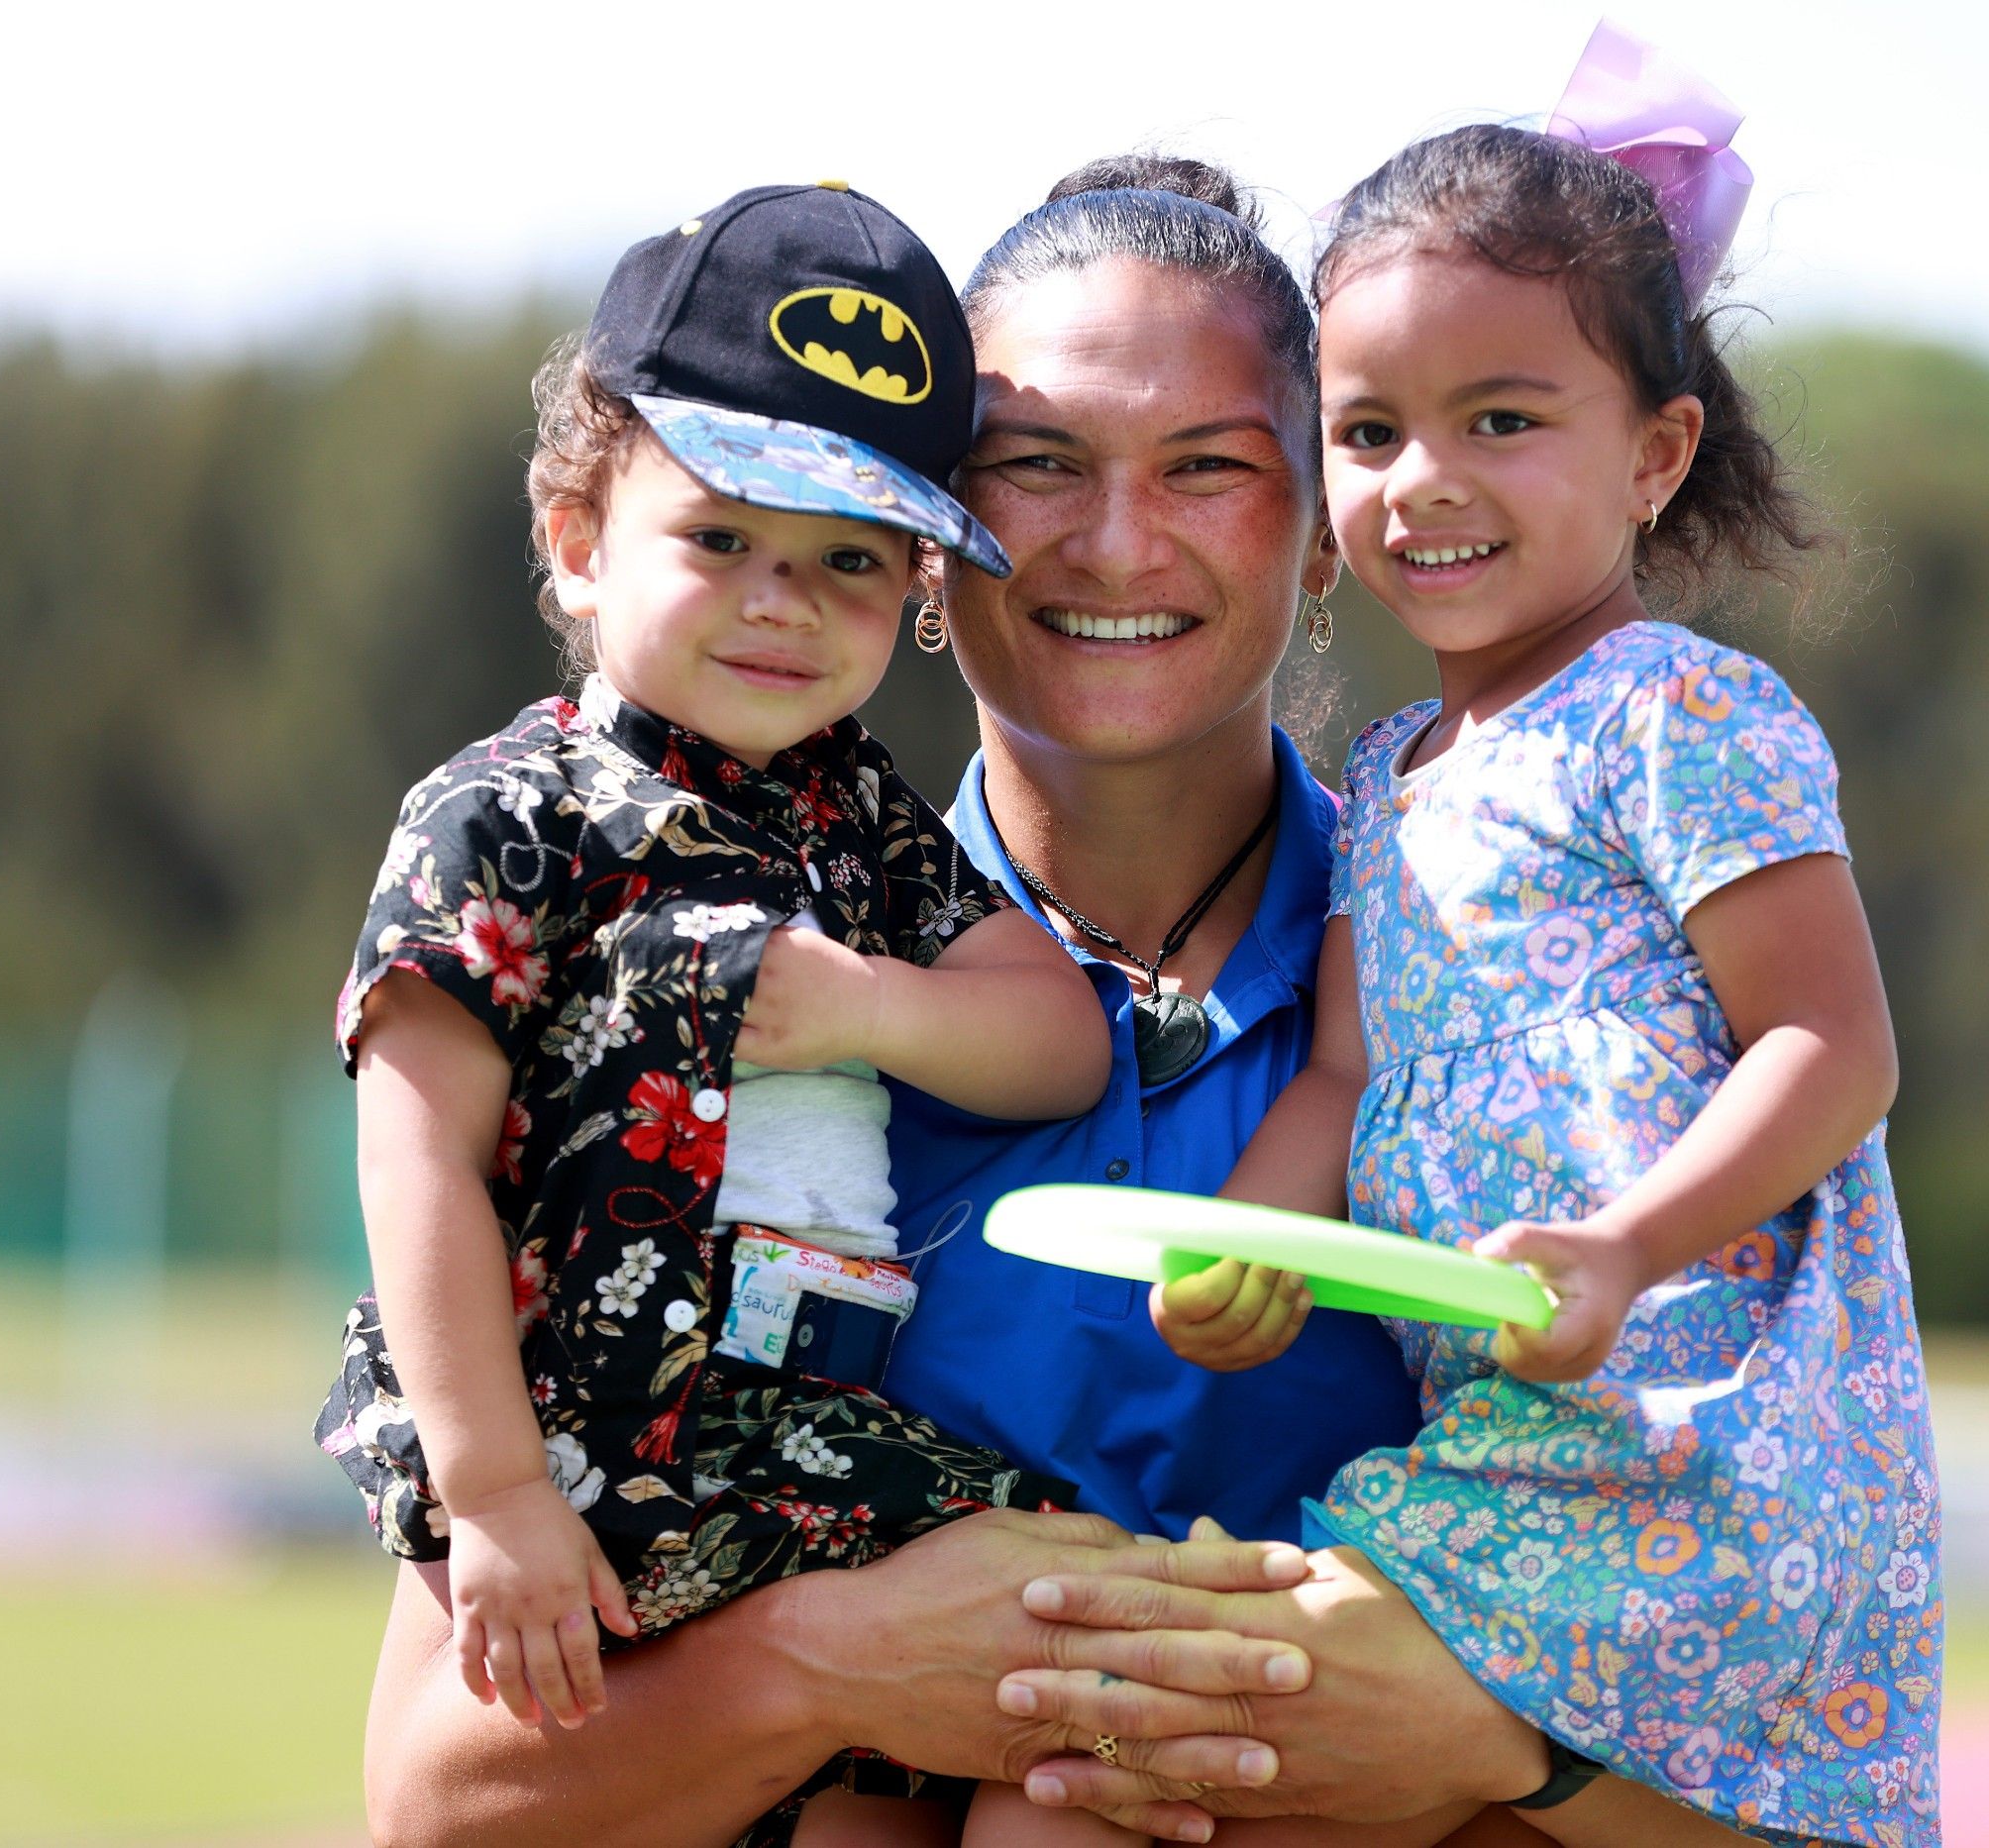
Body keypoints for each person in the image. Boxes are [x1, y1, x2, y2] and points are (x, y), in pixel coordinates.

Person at [357, 157, 1724, 1848]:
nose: (1116, 539)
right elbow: (438, 1807)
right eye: (1037, 468)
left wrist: (1504, 1744)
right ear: (930, 546)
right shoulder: (716, 979)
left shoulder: (1558, 981)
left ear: (1318, 532)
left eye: (1211, 468)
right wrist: (825, 1669)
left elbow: (1825, 1700)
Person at [1153, 116, 1945, 1846]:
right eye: (1369, 432)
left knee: (1211, 1729)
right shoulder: (1377, 775)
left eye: (1499, 420)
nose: (1423, 477)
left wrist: (1624, 1244)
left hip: (1701, 1446)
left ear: (1657, 452)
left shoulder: (1681, 710)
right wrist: (1249, 1242)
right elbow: (1348, 1079)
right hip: (1509, 1448)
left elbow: (1833, 1044)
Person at [313, 180, 1127, 1848]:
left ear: (912, 589)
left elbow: (1060, 1034)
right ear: (576, 534)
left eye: (847, 560)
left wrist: (863, 1008)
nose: (782, 598)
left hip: (807, 1433)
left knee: (1075, 1672)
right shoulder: (505, 814)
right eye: (723, 536)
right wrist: (493, 1494)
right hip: (590, 1447)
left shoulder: (866, 821)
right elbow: (419, 1173)